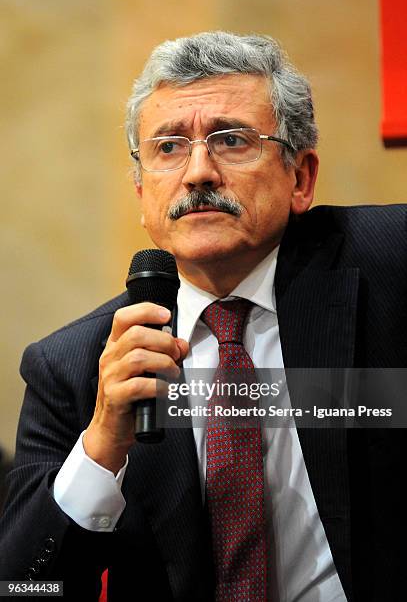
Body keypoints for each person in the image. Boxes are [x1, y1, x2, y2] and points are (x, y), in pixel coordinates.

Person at [0, 31, 406, 602]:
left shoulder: (391, 266)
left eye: (231, 140)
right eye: (168, 148)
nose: (198, 173)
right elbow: (25, 587)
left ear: (301, 177)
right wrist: (100, 449)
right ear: (142, 193)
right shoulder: (72, 366)